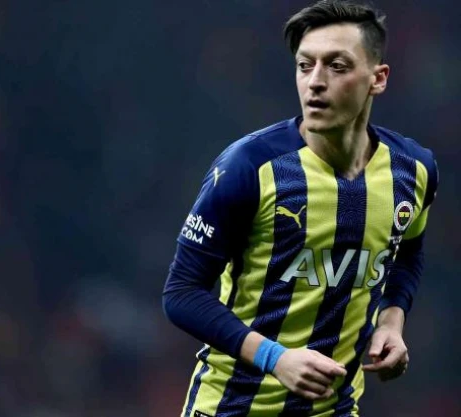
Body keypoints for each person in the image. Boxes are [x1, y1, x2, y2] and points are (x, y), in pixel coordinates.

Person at [162, 1, 439, 416]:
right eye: (305, 66)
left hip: (334, 409)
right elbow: (182, 293)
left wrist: (391, 322)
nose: (316, 82)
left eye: (337, 66)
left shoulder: (414, 170)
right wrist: (275, 358)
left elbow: (407, 253)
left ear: (378, 78)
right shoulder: (249, 167)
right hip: (232, 407)